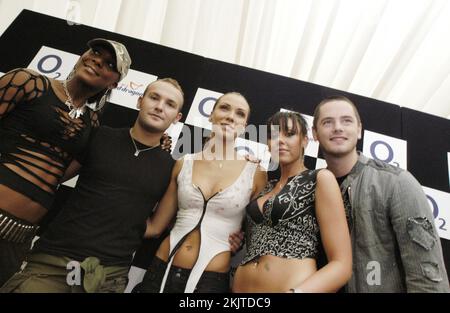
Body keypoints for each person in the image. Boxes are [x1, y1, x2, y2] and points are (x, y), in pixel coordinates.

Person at [0, 78, 186, 293]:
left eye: (170, 104)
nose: (159, 106)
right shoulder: (99, 136)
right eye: (154, 97)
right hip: (53, 260)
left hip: (109, 275)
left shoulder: (172, 168)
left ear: (177, 118)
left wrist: (121, 219)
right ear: (140, 101)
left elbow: (154, 228)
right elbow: (54, 179)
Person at [0, 38, 131, 286]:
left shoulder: (91, 123)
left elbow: (61, 173)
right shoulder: (29, 82)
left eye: (108, 63)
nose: (96, 61)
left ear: (113, 82)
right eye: (94, 52)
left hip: (21, 236)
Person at [312, 95, 450, 292]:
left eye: (346, 121)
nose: (338, 127)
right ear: (315, 133)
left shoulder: (396, 182)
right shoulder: (309, 188)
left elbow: (428, 275)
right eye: (327, 122)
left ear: (359, 130)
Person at [133, 92, 267, 293]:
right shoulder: (183, 163)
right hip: (160, 271)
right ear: (211, 115)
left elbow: (257, 234)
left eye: (239, 113)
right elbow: (155, 227)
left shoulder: (256, 173)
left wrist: (241, 241)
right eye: (224, 108)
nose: (231, 116)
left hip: (209, 282)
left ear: (245, 126)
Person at [232, 111, 352, 293]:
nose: (280, 140)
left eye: (289, 134)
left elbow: (341, 265)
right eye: (273, 135)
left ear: (305, 140)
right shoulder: (264, 185)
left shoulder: (319, 178)